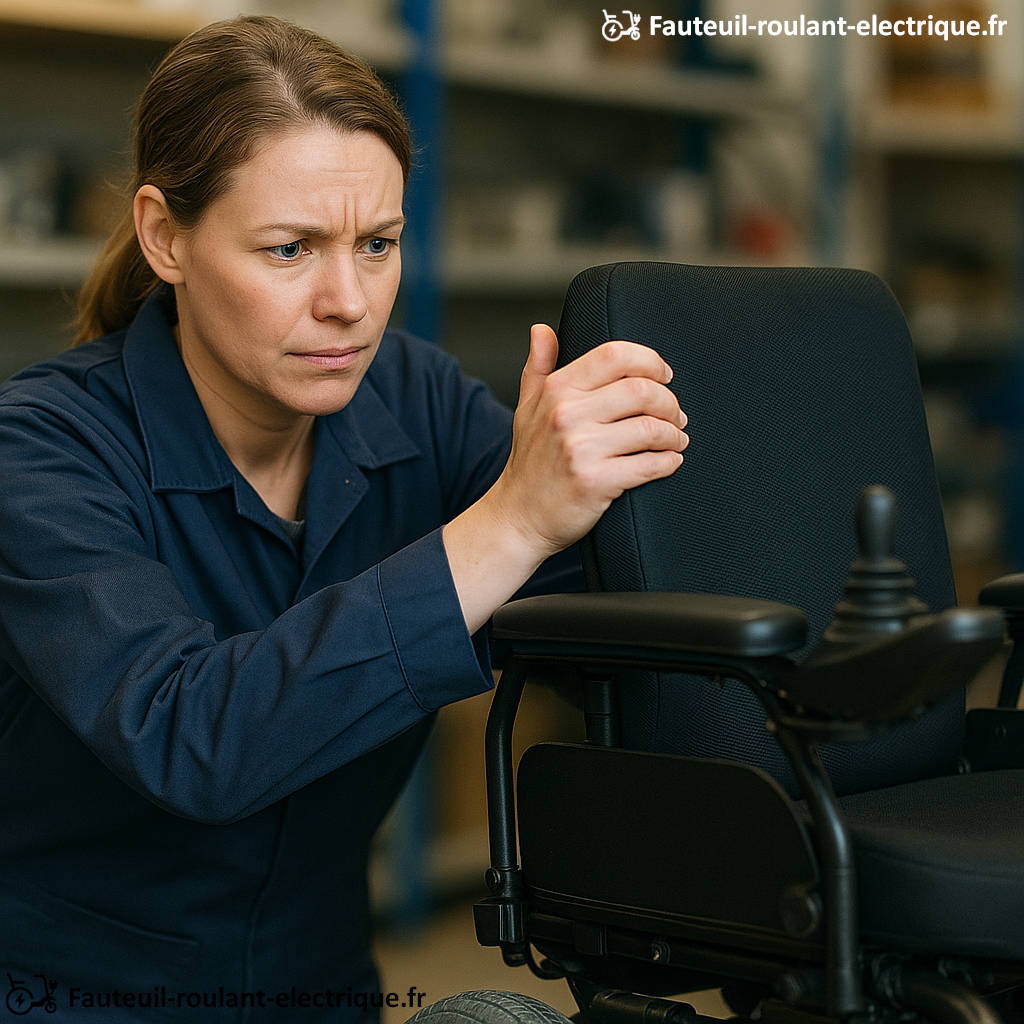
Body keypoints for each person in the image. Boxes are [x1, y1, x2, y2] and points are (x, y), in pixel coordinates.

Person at [0, 15, 689, 1023]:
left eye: (378, 244)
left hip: (321, 986)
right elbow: (192, 735)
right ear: (165, 235)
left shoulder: (417, 400)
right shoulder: (43, 448)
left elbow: (592, 611)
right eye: (290, 249)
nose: (349, 303)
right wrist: (510, 520)